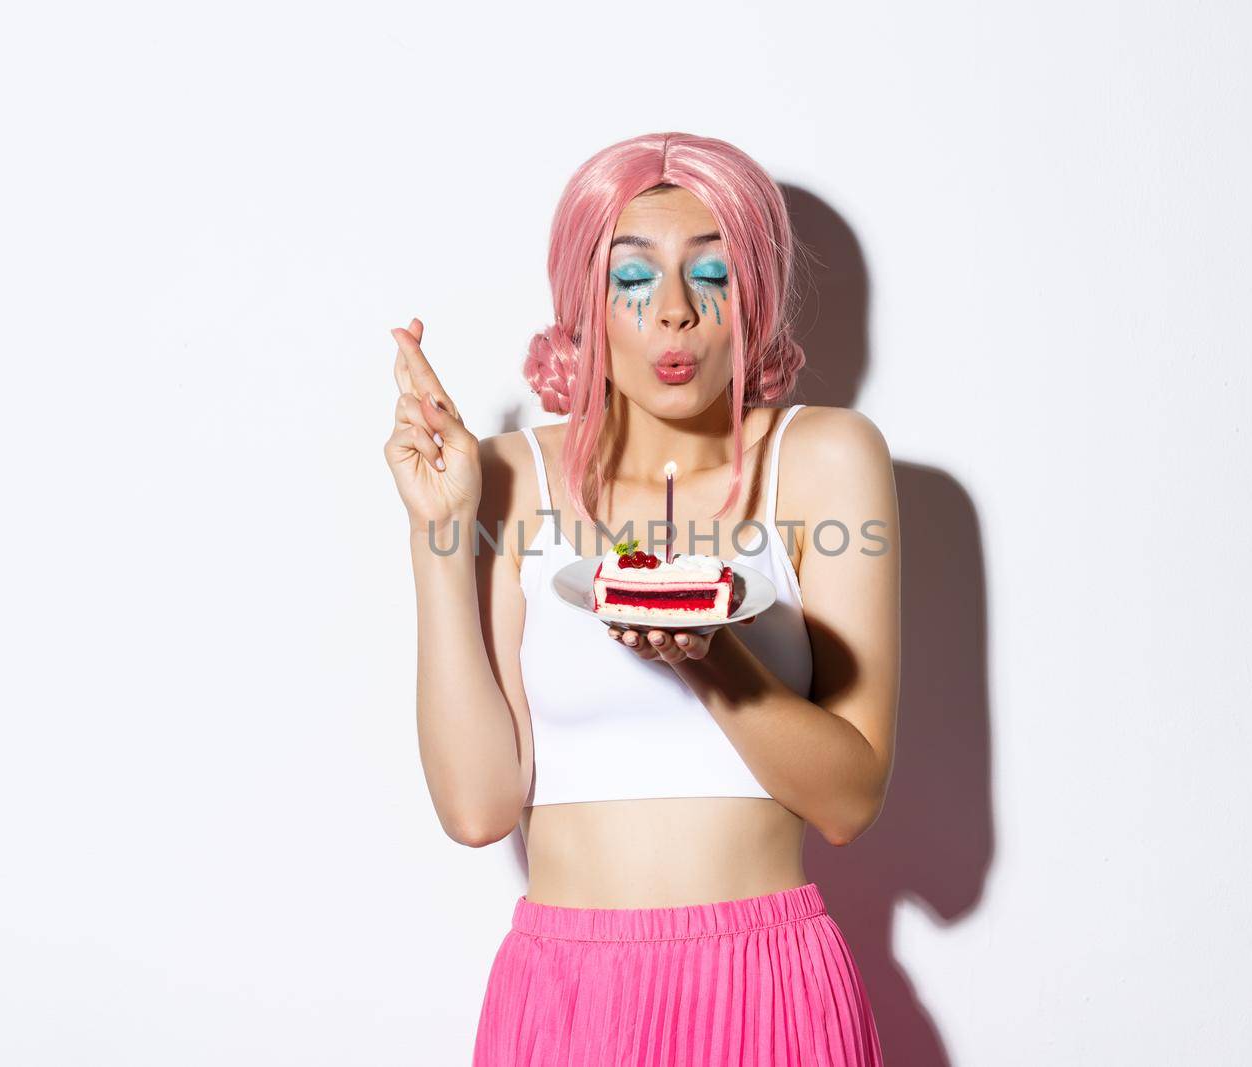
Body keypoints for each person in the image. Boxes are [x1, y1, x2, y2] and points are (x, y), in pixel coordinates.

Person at [384, 132, 899, 1065]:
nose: (675, 314)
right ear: (587, 300)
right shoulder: (512, 476)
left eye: (714, 275)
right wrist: (440, 530)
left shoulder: (824, 460)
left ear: (758, 298)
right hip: (567, 996)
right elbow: (477, 808)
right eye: (633, 280)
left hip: (768, 985)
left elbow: (848, 801)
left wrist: (706, 648)